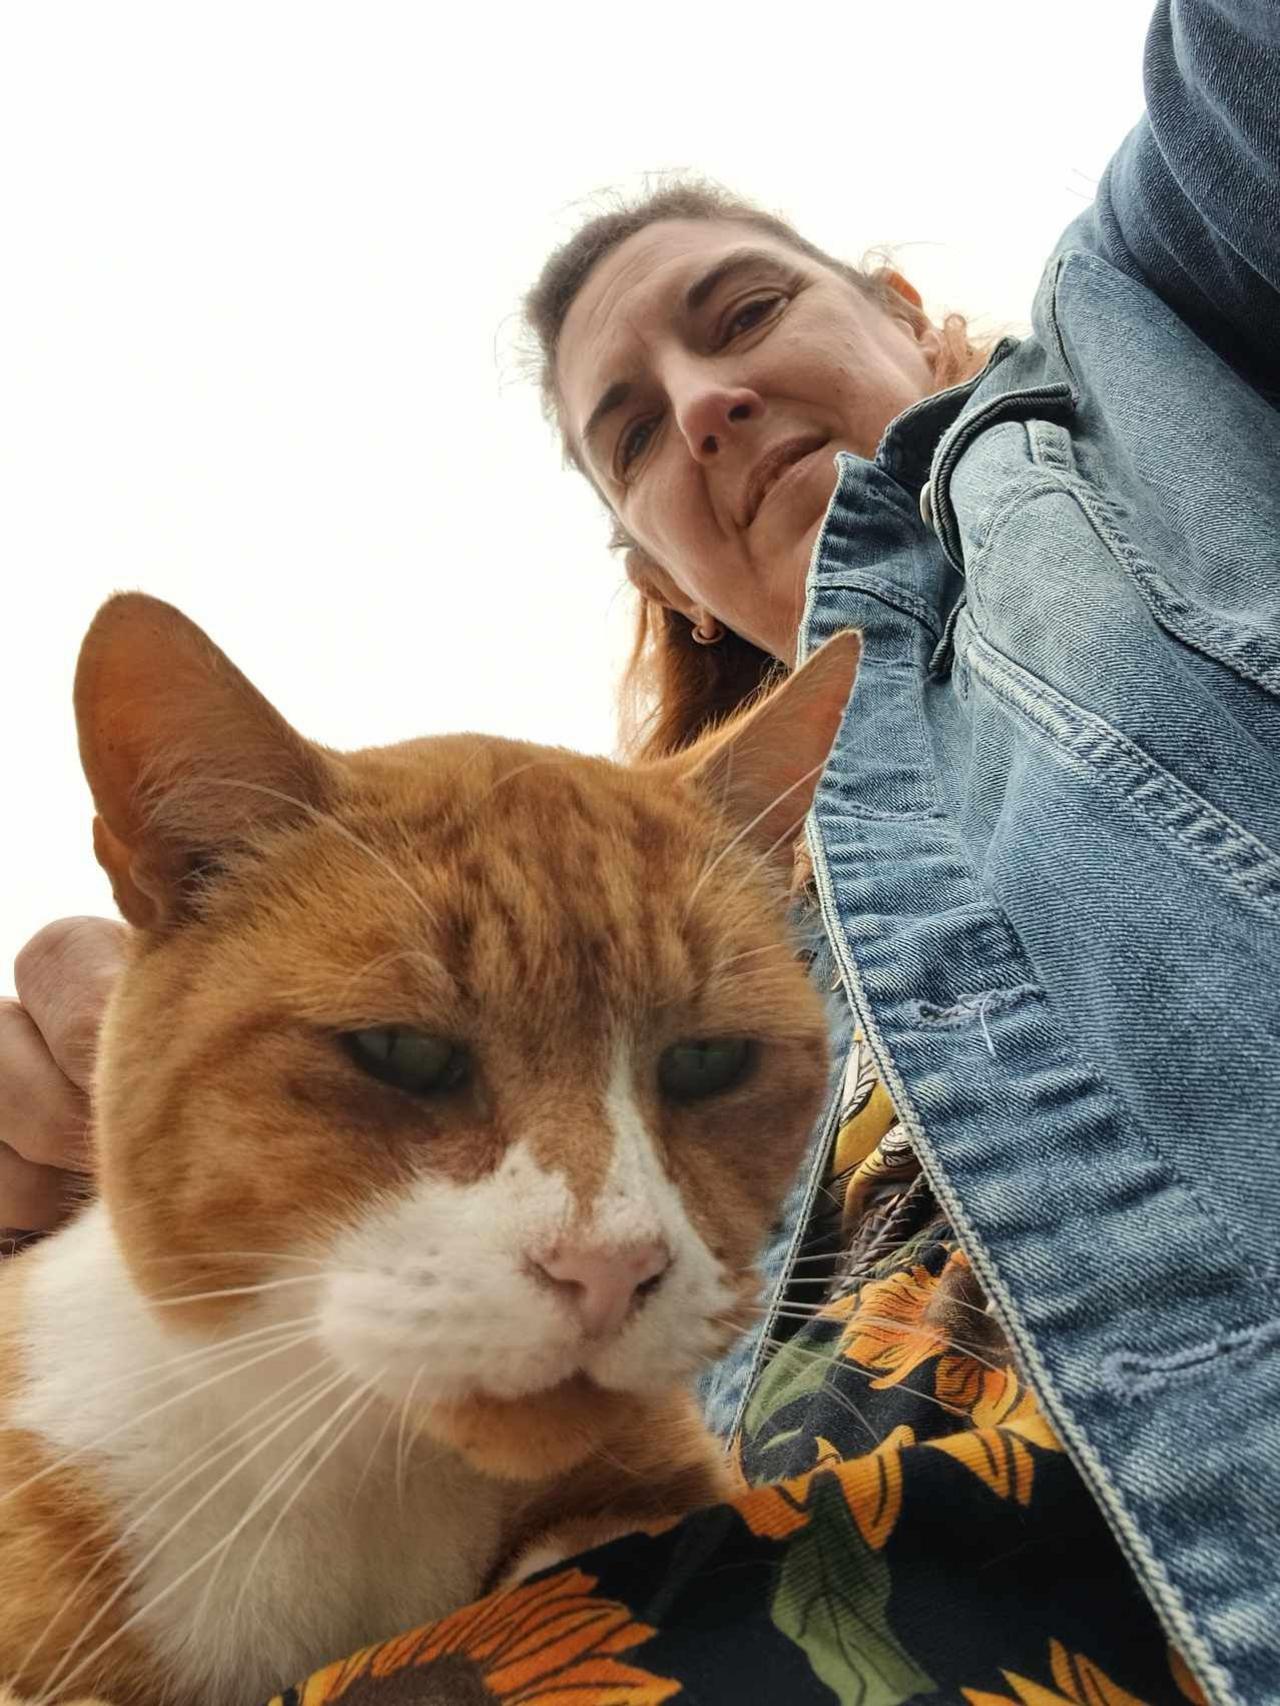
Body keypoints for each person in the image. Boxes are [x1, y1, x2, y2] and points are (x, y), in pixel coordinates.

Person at [4, 1, 1277, 1700]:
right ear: (659, 574)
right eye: (627, 428)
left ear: (907, 314)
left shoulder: (1132, 374)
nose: (706, 403)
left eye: (745, 311)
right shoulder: (668, 866)